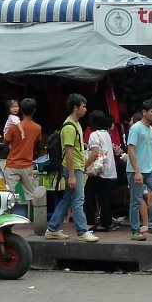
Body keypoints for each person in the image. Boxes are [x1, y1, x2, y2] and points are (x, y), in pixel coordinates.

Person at [47, 94, 98, 242]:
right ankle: (82, 231)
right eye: (83, 107)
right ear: (75, 108)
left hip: (76, 167)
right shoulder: (69, 127)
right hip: (73, 168)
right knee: (78, 199)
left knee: (68, 198)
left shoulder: (75, 124)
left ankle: (52, 228)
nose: (85, 110)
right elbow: (68, 152)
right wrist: (72, 175)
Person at [3, 97, 45, 233]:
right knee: (33, 196)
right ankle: (39, 227)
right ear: (34, 111)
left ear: (20, 110)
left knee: (8, 196)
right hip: (27, 165)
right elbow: (38, 143)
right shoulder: (37, 128)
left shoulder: (14, 127)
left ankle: (4, 228)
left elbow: (5, 141)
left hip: (12, 165)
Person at [127, 99, 152, 241]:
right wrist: (137, 171)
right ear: (144, 112)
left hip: (150, 169)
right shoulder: (136, 128)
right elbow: (131, 150)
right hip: (136, 170)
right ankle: (135, 231)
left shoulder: (151, 130)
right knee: (136, 200)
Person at [84, 110, 121, 232]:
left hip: (99, 171)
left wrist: (85, 165)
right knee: (105, 198)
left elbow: (95, 153)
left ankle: (90, 219)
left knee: (87, 193)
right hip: (110, 171)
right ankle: (106, 223)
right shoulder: (106, 134)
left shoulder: (94, 135)